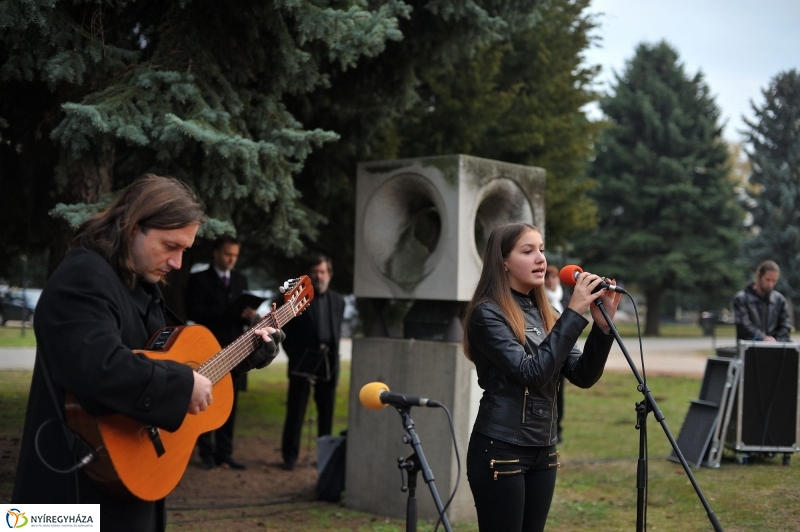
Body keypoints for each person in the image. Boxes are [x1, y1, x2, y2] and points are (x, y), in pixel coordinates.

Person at [12, 174, 284, 532]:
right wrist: (183, 384)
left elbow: (166, 361)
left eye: (185, 250)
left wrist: (243, 356)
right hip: (64, 499)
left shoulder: (139, 283)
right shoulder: (83, 277)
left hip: (129, 484)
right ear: (132, 228)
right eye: (170, 246)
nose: (177, 263)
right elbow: (100, 367)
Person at [463, 223, 620, 532]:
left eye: (542, 250)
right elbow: (531, 373)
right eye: (528, 251)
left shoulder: (546, 312)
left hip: (543, 450)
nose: (540, 259)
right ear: (503, 261)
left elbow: (582, 375)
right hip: (501, 448)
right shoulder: (488, 314)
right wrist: (574, 313)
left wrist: (602, 328)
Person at [185, 236, 260, 470]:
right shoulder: (198, 280)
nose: (231, 259)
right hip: (207, 349)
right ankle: (206, 452)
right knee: (204, 400)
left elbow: (241, 313)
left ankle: (224, 452)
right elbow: (194, 311)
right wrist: (228, 312)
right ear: (216, 253)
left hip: (235, 349)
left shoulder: (240, 279)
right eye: (228, 254)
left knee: (230, 402)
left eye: (235, 255)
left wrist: (249, 316)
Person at [280, 255, 345, 471]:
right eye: (315, 272)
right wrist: (296, 358)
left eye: (323, 272)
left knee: (326, 412)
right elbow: (285, 331)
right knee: (296, 411)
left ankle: (324, 457)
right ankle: (289, 457)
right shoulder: (295, 299)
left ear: (330, 275)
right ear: (309, 275)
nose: (319, 276)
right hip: (302, 362)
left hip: (328, 363)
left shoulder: (339, 301)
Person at [732, 260, 792, 342]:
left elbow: (785, 326)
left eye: (774, 281)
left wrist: (775, 341)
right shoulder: (741, 299)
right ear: (758, 275)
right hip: (750, 350)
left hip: (775, 350)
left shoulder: (780, 300)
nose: (770, 284)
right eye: (767, 280)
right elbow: (743, 325)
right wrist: (762, 338)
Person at [544, 264, 571, 442]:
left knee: (559, 393)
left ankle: (558, 427)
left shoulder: (566, 299)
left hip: (564, 351)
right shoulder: (540, 300)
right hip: (547, 351)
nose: (551, 281)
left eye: (554, 277)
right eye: (548, 278)